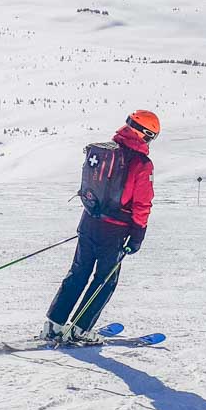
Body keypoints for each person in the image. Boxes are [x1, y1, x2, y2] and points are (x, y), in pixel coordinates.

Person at [42, 110, 159, 343]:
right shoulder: (141, 163)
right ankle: (80, 330)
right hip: (115, 229)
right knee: (105, 279)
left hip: (89, 220)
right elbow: (142, 203)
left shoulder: (105, 151)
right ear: (145, 134)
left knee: (78, 272)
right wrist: (137, 235)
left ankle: (53, 325)